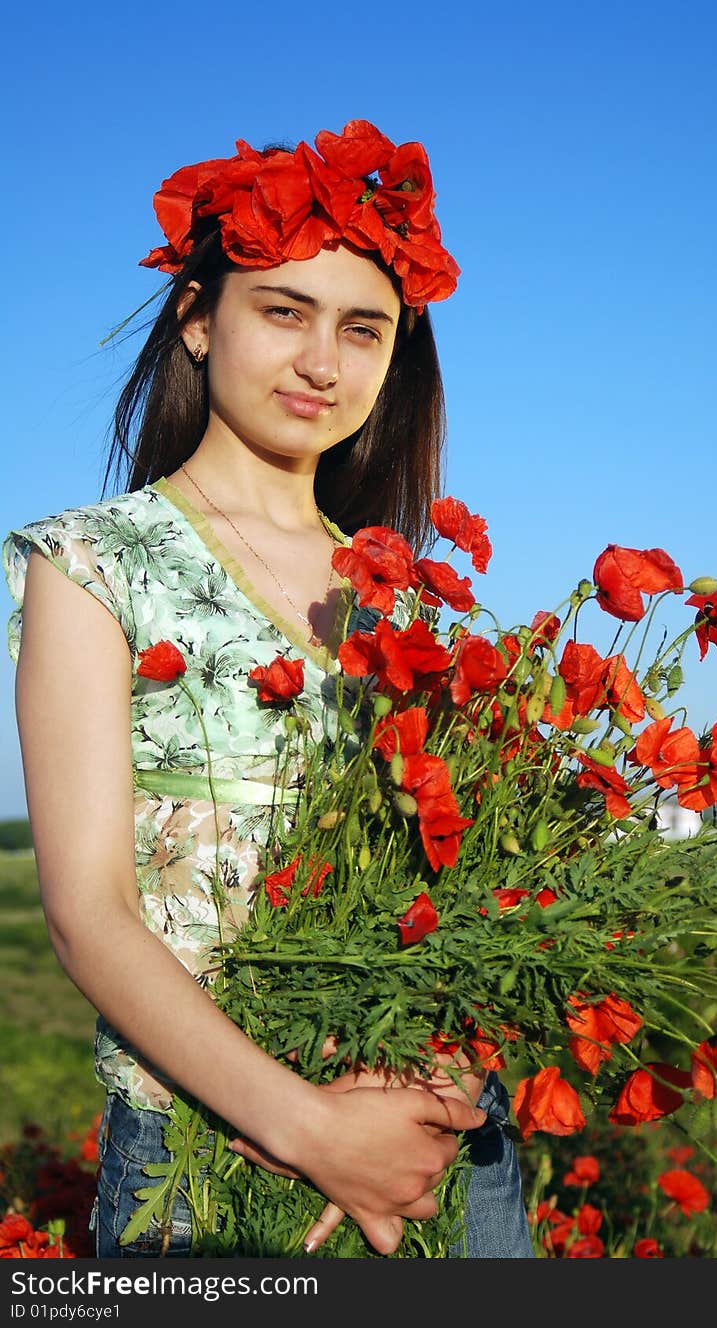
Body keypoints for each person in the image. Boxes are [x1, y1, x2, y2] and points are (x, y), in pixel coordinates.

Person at [3, 120, 535, 1259]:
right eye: (282, 311)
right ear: (198, 319)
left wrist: (423, 1073)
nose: (320, 363)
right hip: (209, 1148)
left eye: (362, 328)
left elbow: (450, 877)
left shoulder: (396, 597)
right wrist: (307, 1124)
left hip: (438, 1132)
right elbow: (88, 908)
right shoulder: (90, 564)